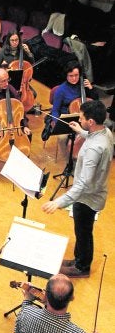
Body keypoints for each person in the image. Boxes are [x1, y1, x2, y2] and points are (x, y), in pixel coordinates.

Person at [42, 100, 113, 278]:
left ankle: (82, 267)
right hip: (94, 193)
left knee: (83, 232)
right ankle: (78, 258)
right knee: (82, 231)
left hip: (88, 198)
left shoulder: (93, 150)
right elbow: (94, 137)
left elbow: (83, 184)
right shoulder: (106, 132)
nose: (79, 119)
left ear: (91, 121)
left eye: (81, 118)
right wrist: (80, 131)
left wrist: (59, 201)